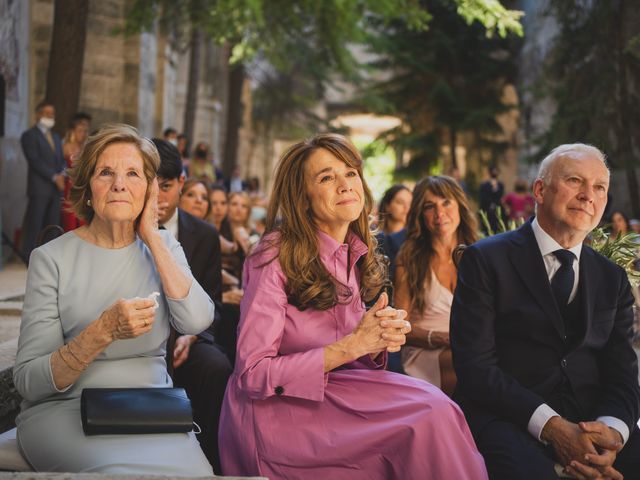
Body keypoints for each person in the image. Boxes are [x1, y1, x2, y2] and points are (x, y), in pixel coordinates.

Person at [219, 133, 488, 479]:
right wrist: (354, 344)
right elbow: (252, 374)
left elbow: (351, 353)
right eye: (327, 177)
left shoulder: (354, 251)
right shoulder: (273, 254)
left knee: (443, 409)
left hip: (334, 393)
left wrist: (377, 339)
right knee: (428, 417)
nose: (345, 185)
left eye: (351, 173)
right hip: (276, 415)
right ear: (302, 199)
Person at [13, 124, 214, 475]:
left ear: (149, 189)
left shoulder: (164, 246)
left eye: (133, 173)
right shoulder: (51, 259)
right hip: (66, 411)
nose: (120, 184)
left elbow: (196, 320)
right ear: (88, 189)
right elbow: (30, 379)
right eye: (106, 172)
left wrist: (151, 234)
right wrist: (101, 331)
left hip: (151, 412)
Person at [451, 143, 640, 479]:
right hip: (509, 419)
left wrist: (611, 434)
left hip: (593, 424)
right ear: (539, 190)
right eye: (574, 181)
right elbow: (475, 367)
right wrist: (552, 427)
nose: (587, 195)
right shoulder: (486, 260)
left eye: (599, 187)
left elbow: (623, 375)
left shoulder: (613, 279)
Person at [153, 139, 232, 473]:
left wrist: (192, 337)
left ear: (181, 183)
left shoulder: (203, 234)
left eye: (166, 187)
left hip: (188, 338)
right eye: (150, 185)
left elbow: (212, 300)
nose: (157, 197)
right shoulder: (122, 225)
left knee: (217, 367)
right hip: (140, 336)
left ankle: (212, 459)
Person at [394, 176, 478, 395]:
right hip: (425, 350)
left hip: (471, 345)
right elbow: (399, 325)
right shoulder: (409, 257)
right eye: (429, 207)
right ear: (421, 215)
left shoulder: (478, 253)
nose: (439, 214)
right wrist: (439, 337)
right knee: (471, 363)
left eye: (446, 202)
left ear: (460, 205)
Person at [20, 100, 66, 259]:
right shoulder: (29, 136)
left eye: (52, 114)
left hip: (55, 189)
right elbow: (34, 160)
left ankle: (49, 258)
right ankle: (28, 256)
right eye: (47, 114)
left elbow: (61, 159)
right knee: (35, 223)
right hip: (39, 188)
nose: (50, 117)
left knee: (52, 224)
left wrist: (62, 174)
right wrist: (54, 176)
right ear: (38, 114)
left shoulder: (56, 136)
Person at [61, 115, 90, 231]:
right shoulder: (66, 147)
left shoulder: (85, 147)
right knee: (70, 217)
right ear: (73, 131)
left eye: (84, 131)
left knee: (82, 216)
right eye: (80, 131)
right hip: (70, 185)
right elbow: (59, 166)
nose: (82, 134)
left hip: (82, 185)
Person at [479, 165, 505, 234]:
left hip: (497, 211)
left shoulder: (500, 185)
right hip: (487, 210)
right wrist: (490, 204)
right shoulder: (484, 185)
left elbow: (500, 197)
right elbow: (483, 197)